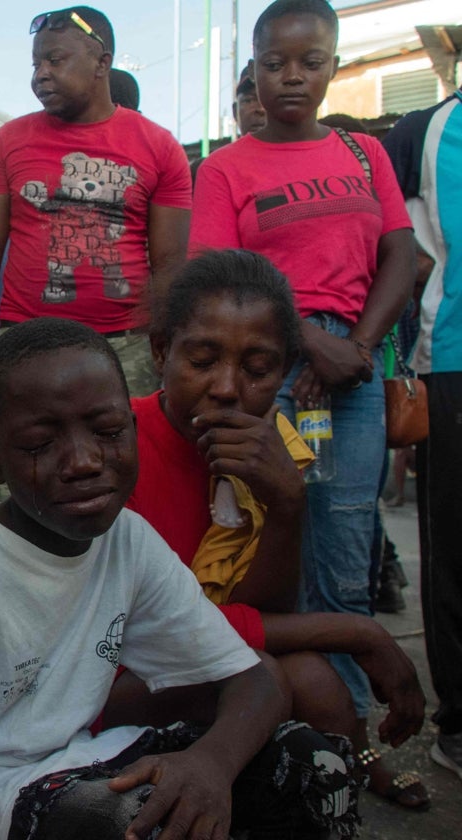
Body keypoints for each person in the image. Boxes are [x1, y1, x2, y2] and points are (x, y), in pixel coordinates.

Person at [0, 317, 360, 840]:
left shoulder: (127, 538)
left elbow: (255, 678)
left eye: (107, 433)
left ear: (131, 428)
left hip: (92, 755)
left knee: (316, 768)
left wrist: (211, 765)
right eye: (40, 444)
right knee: (137, 825)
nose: (84, 462)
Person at [188, 0, 420, 808]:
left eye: (311, 61)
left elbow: (402, 253)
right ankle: (257, 724)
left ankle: (350, 746)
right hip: (262, 374)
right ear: (252, 66)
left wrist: (353, 346)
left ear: (331, 64)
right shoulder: (225, 168)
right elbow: (216, 278)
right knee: (249, 549)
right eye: (276, 62)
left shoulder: (364, 151)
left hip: (349, 379)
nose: (293, 76)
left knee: (345, 558)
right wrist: (302, 341)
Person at [107, 250, 423, 822]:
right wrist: (358, 630)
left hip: (210, 663)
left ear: (283, 374)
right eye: (202, 360)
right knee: (274, 673)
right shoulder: (118, 444)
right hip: (117, 674)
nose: (228, 389)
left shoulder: (273, 448)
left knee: (313, 679)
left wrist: (285, 503)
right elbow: (155, 629)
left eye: (257, 370)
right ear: (161, 352)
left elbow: (264, 610)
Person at [0, 5, 191, 423]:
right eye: (36, 63)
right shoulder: (8, 142)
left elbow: (169, 264)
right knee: (19, 479)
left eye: (55, 60)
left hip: (127, 349)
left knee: (126, 474)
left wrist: (166, 350)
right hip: (26, 344)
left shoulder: (160, 147)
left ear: (102, 63)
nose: (40, 74)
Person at [382, 82, 462, 781]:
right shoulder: (420, 136)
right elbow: (407, 258)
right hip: (455, 365)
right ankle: (459, 724)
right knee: (455, 545)